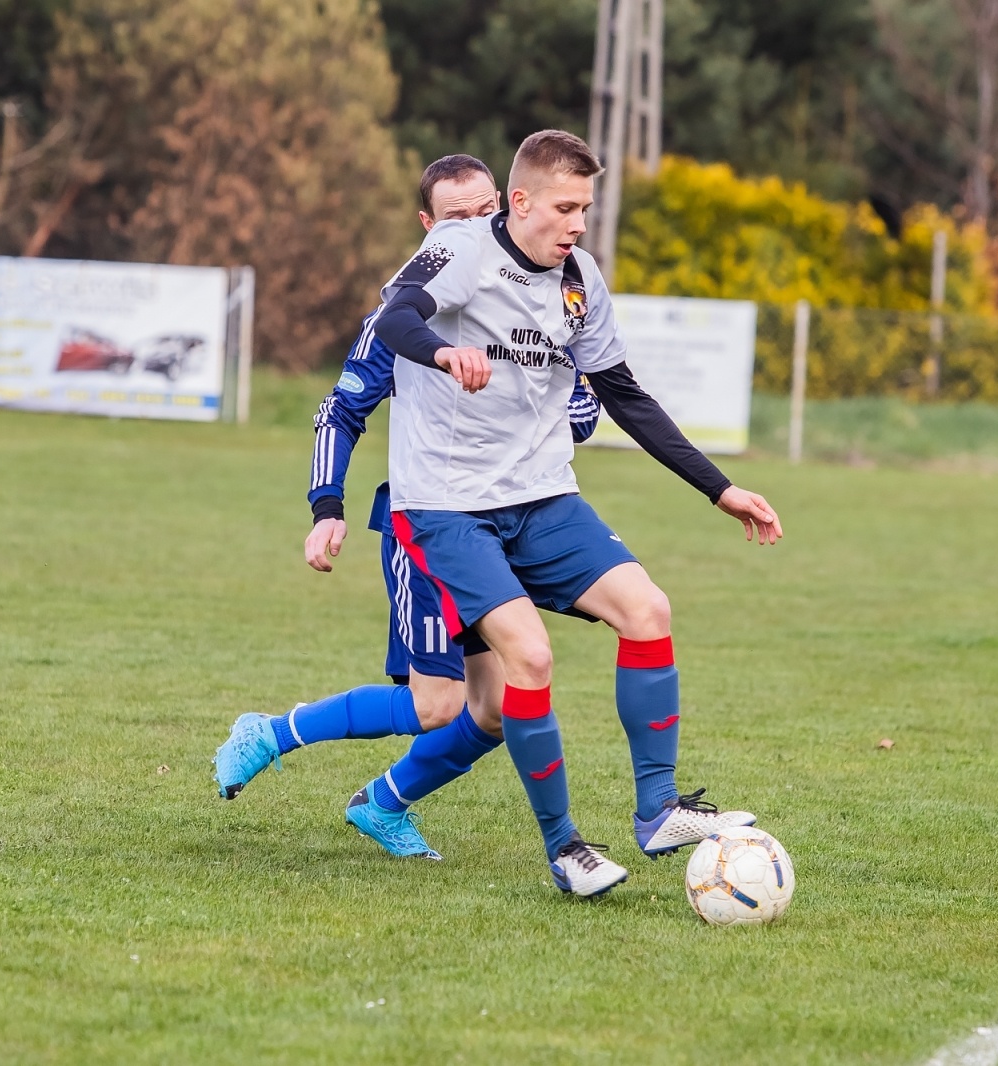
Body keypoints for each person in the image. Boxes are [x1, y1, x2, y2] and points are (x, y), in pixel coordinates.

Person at [218, 130, 783, 899]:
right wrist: (332, 502)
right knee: (478, 683)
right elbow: (386, 335)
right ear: (498, 211)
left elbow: (619, 395)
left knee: (640, 615)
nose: (579, 223)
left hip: (541, 499)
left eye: (586, 207)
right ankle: (565, 847)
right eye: (567, 207)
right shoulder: (450, 261)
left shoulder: (578, 278)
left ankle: (658, 811)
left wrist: (721, 490)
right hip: (443, 510)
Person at [292, 153, 601, 861]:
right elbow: (340, 410)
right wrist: (326, 505)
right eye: (456, 218)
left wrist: (536, 387)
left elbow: (581, 413)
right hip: (427, 524)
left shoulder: (537, 300)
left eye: (484, 212)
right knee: (439, 707)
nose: (474, 228)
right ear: (429, 227)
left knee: (492, 711)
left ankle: (382, 803)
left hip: (505, 523)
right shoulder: (399, 317)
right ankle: (275, 733)